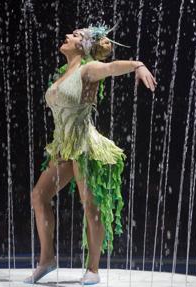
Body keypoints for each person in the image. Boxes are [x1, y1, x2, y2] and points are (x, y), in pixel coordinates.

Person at [24, 24, 156, 284]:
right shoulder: (64, 73)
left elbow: (110, 68)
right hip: (63, 146)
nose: (66, 36)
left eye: (73, 35)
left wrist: (137, 65)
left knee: (90, 205)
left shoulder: (88, 68)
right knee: (39, 196)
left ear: (82, 46)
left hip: (84, 145)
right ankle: (47, 260)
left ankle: (93, 269)